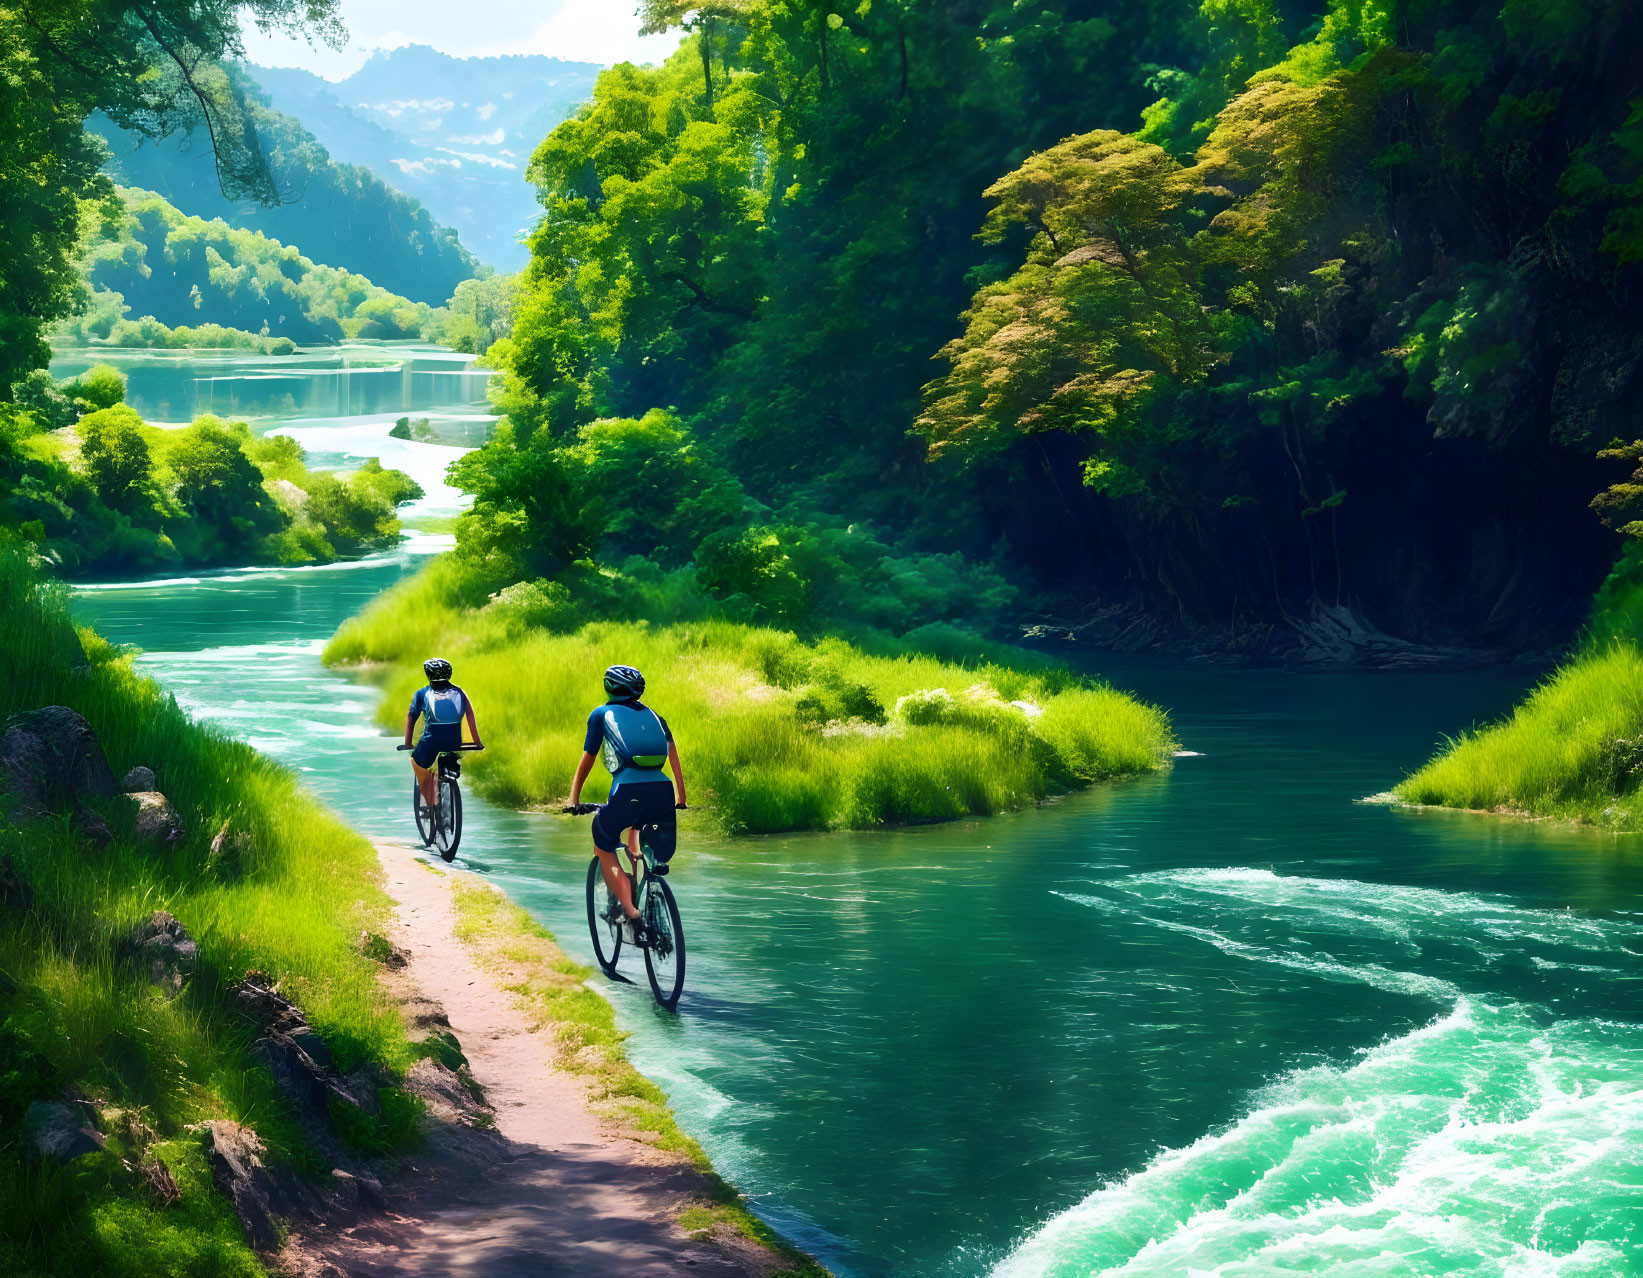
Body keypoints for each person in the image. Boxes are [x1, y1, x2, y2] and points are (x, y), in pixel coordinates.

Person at [568, 664, 687, 939]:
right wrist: (681, 798)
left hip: (626, 792)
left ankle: (633, 916)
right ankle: (640, 885)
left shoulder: (601, 714)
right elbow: (674, 757)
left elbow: (588, 758)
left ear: (609, 687)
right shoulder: (656, 717)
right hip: (663, 791)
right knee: (638, 837)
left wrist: (574, 799)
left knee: (604, 843)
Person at [403, 658, 482, 810]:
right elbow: (470, 716)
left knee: (417, 761)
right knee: (449, 756)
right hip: (454, 740)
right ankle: (450, 772)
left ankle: (428, 800)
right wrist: (477, 742)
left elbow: (411, 718)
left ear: (428, 674)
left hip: (432, 740)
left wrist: (407, 743)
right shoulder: (459, 692)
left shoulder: (422, 693)